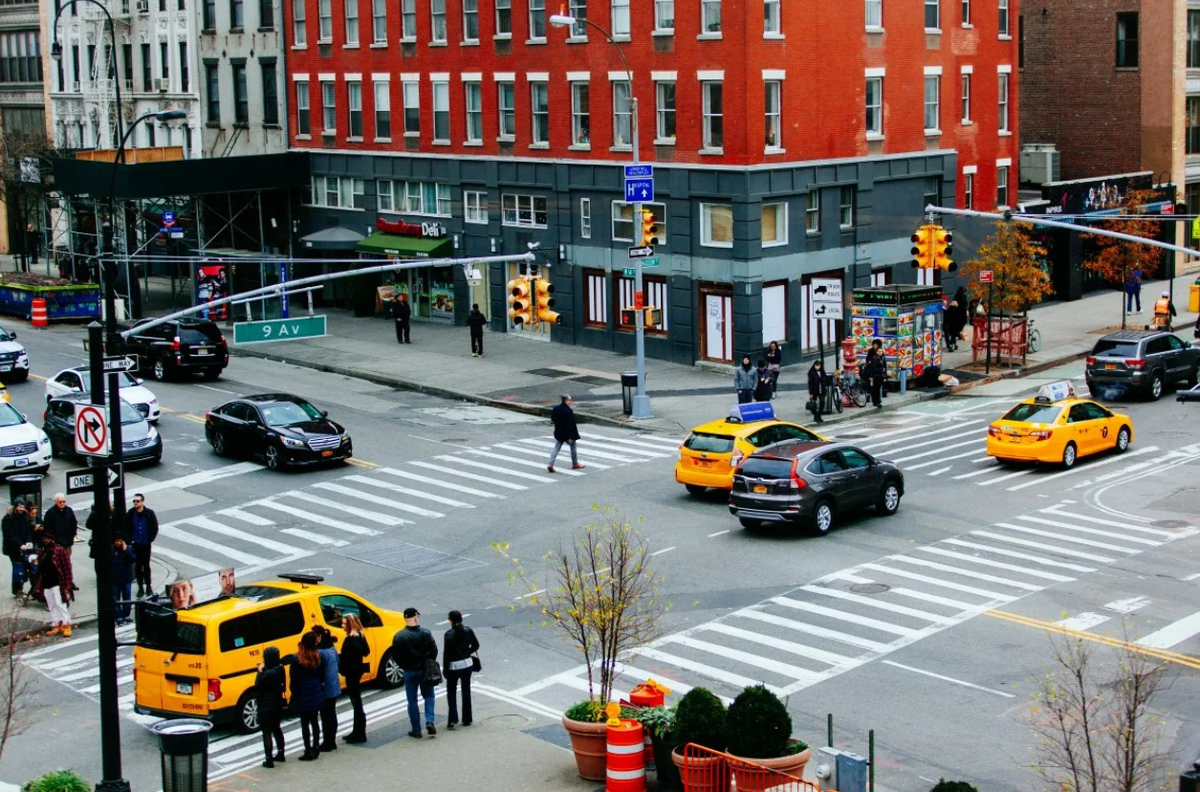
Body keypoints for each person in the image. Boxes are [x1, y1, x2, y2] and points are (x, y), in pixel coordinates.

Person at [391, 607, 438, 739]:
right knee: (429, 696)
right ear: (416, 617)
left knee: (412, 700)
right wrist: (428, 662)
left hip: (409, 671)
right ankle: (429, 721)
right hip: (424, 670)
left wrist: (404, 666)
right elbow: (434, 650)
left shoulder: (399, 636)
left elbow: (395, 656)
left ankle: (416, 730)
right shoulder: (425, 633)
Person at [284, 632, 327, 760]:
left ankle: (307, 749)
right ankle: (315, 747)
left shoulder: (297, 659)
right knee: (315, 721)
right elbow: (321, 675)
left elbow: (293, 679)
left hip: (302, 693)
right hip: (315, 690)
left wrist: (293, 692)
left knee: (305, 723)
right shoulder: (318, 656)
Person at [443, 610, 480, 730]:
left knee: (452, 693)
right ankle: (467, 718)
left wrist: (445, 669)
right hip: (467, 664)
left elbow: (446, 654)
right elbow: (476, 645)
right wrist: (466, 653)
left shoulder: (449, 634)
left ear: (450, 621)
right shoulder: (468, 630)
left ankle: (452, 720)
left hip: (454, 666)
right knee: (466, 690)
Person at [32, 531, 73, 637]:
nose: (46, 540)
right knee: (51, 604)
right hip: (46, 581)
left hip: (57, 581)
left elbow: (67, 567)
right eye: (45, 538)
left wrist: (68, 583)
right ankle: (56, 624)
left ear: (52, 539)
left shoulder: (59, 550)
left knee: (60, 604)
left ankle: (66, 624)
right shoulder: (42, 551)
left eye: (48, 539)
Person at [339, 614, 370, 744]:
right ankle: (357, 731)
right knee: (357, 702)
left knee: (356, 703)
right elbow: (366, 652)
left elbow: (345, 659)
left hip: (351, 674)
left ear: (350, 625)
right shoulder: (360, 636)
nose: (342, 625)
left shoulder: (349, 641)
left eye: (344, 623)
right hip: (358, 672)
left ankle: (359, 733)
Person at [255, 646, 287, 768]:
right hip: (277, 703)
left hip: (265, 705)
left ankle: (269, 760)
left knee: (267, 732)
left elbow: (258, 687)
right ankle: (281, 753)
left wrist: (259, 672)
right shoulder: (280, 669)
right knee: (277, 728)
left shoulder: (267, 674)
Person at [124, 493, 158, 598]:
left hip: (146, 544)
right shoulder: (130, 514)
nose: (135, 503)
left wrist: (150, 539)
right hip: (136, 544)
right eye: (134, 501)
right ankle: (140, 587)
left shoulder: (149, 513)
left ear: (142, 502)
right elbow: (126, 528)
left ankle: (148, 586)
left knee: (146, 565)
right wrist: (131, 541)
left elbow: (154, 527)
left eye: (137, 501)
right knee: (138, 566)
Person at [313, 625, 341, 752]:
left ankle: (327, 742)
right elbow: (338, 664)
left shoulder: (320, 652)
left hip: (325, 688)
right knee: (332, 714)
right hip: (334, 686)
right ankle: (332, 740)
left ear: (319, 636)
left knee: (325, 717)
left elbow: (318, 671)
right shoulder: (332, 648)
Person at [2, 501, 33, 600]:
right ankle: (17, 590)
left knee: (26, 568)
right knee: (18, 568)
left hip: (24, 547)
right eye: (19, 507)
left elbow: (28, 531)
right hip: (13, 549)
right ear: (15, 507)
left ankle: (19, 588)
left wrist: (28, 542)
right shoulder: (7, 519)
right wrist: (19, 545)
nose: (21, 509)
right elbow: (9, 535)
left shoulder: (24, 517)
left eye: (23, 507)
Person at [547, 395, 584, 473]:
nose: (571, 401)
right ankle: (575, 463)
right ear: (566, 401)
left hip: (558, 432)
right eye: (570, 400)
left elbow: (553, 419)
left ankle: (550, 464)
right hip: (567, 434)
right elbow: (570, 424)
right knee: (573, 446)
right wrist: (570, 436)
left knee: (556, 448)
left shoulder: (556, 408)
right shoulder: (568, 411)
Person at [111, 538, 136, 625]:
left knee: (127, 597)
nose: (118, 543)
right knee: (115, 598)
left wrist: (125, 550)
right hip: (115, 579)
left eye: (120, 541)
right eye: (117, 541)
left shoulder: (128, 549)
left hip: (126, 578)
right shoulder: (111, 550)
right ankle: (118, 616)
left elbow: (133, 559)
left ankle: (126, 615)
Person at [807, 360, 827, 425]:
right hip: (815, 390)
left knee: (822, 403)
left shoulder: (822, 372)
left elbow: (825, 379)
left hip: (821, 390)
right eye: (816, 365)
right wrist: (811, 393)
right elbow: (810, 383)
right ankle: (816, 416)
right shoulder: (811, 373)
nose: (817, 367)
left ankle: (819, 416)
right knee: (815, 405)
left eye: (818, 365)